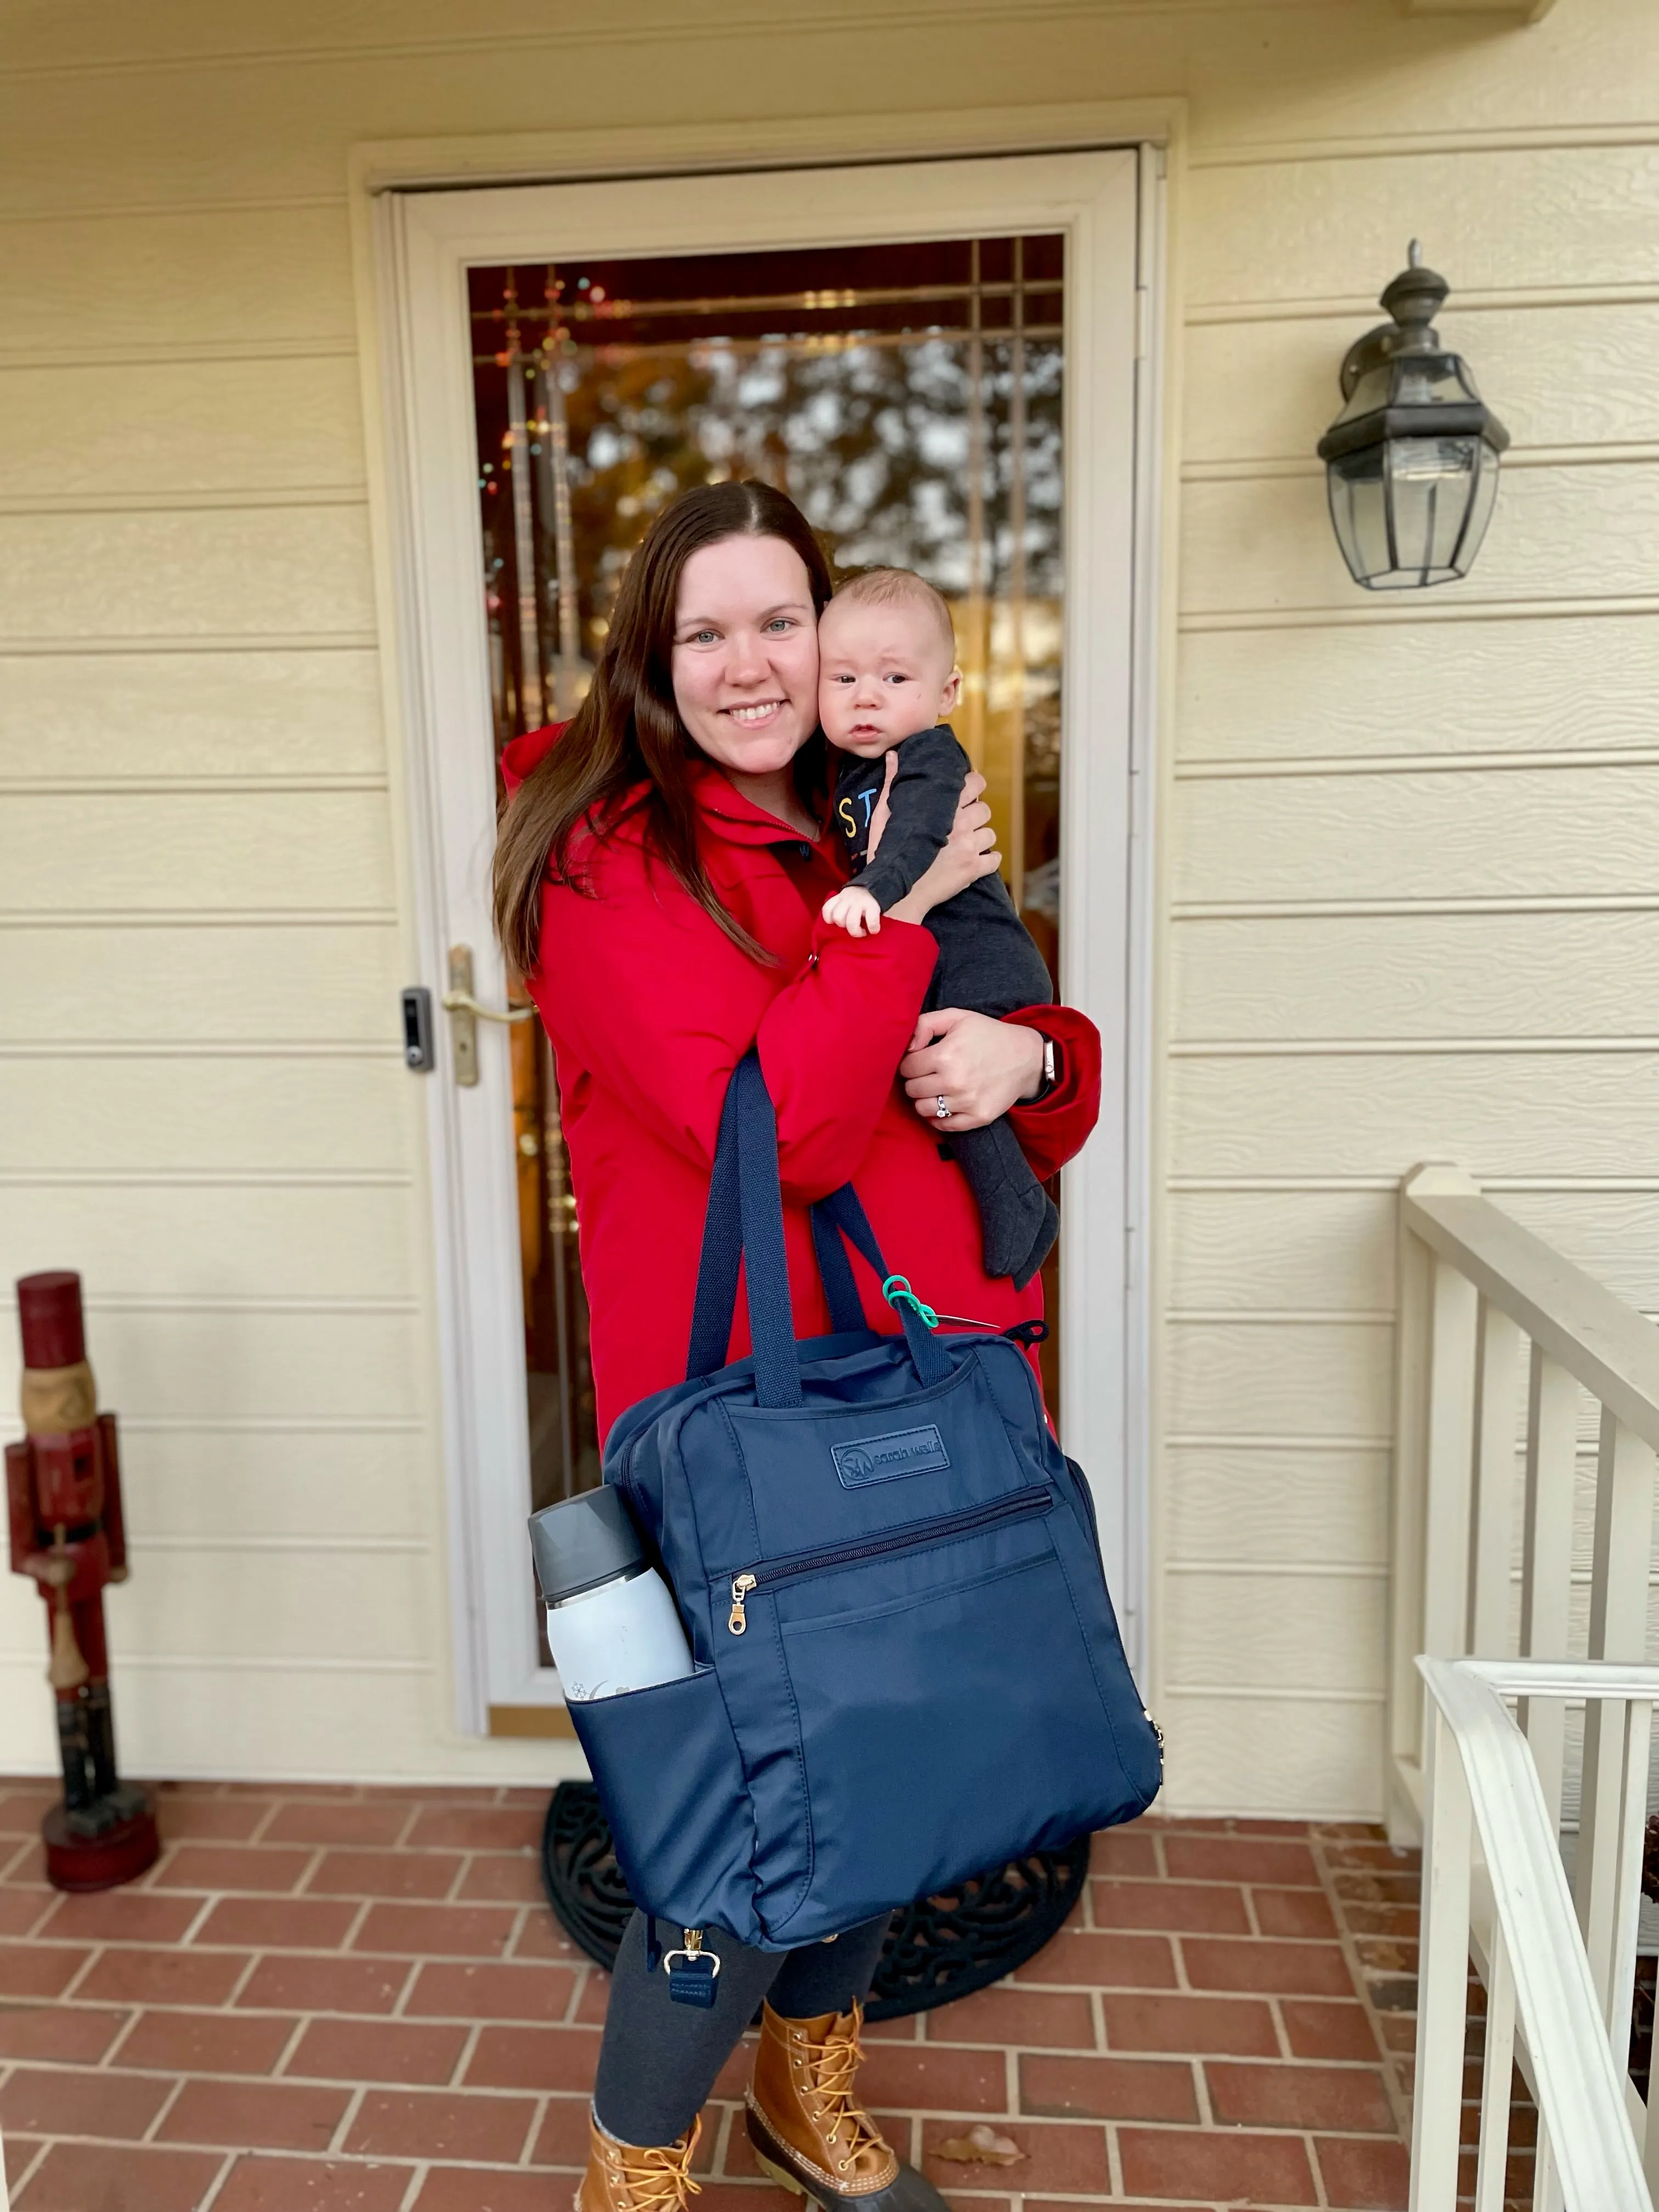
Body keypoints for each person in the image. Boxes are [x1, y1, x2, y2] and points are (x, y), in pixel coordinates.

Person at [493, 480, 1102, 2212]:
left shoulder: (875, 800)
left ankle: (800, 2097)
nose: (753, 664)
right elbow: (790, 1120)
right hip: (749, 1425)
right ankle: (636, 2170)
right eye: (707, 630)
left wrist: (1033, 1064)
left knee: (908, 1755)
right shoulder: (611, 863)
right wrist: (905, 916)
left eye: (783, 622)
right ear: (649, 656)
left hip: (923, 1375)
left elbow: (1009, 1032)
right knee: (733, 1839)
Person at [819, 566, 1059, 1287]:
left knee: (942, 1079)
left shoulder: (926, 759)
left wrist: (875, 891)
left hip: (978, 959)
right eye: (843, 679)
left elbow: (919, 836)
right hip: (936, 952)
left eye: (895, 679)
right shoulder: (844, 767)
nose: (867, 697)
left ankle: (1022, 1212)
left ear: (946, 693)